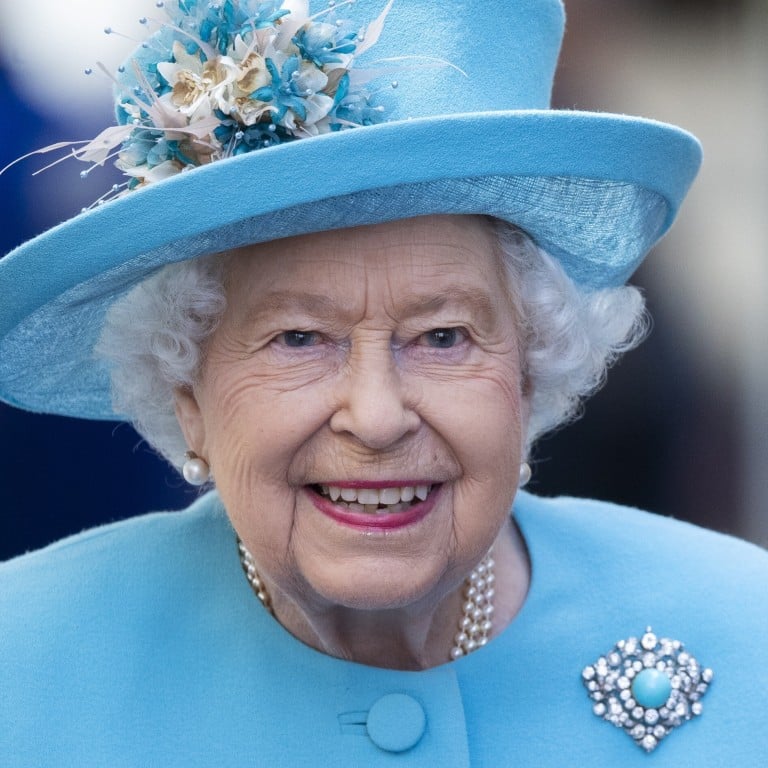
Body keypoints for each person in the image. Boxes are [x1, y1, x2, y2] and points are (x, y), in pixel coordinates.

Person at [0, 0, 765, 765]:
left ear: (531, 372)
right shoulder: (24, 661)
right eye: (299, 338)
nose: (375, 417)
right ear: (188, 395)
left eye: (442, 337)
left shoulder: (743, 624)